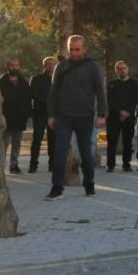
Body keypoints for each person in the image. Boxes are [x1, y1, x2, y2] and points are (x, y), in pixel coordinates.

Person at [44, 35, 107, 200]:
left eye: (77, 49)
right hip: (63, 117)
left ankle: (89, 186)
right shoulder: (61, 66)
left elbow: (100, 91)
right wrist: (51, 115)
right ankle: (57, 188)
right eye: (71, 49)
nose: (73, 52)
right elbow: (53, 93)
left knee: (86, 153)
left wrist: (102, 114)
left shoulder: (92, 67)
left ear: (84, 49)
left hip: (85, 117)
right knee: (60, 152)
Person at [0, 59, 31, 174]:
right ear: (8, 66)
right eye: (12, 65)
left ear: (19, 67)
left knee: (17, 143)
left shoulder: (24, 82)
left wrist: (27, 114)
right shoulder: (1, 81)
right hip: (5, 117)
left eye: (16, 65)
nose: (14, 67)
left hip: (20, 118)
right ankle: (0, 166)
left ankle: (14, 165)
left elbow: (28, 99)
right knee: (4, 143)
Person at [106, 61, 138, 173]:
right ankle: (110, 165)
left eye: (124, 68)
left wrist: (127, 112)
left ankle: (126, 164)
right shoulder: (112, 84)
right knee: (112, 141)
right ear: (116, 71)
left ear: (127, 69)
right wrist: (120, 112)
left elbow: (135, 99)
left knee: (127, 142)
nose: (122, 70)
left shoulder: (134, 83)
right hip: (114, 117)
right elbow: (110, 101)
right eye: (119, 69)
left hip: (129, 117)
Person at [28, 56, 56, 172]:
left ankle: (52, 165)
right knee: (37, 140)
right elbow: (32, 94)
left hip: (53, 114)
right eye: (48, 64)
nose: (50, 66)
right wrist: (47, 102)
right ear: (43, 65)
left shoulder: (58, 79)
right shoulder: (36, 78)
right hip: (39, 113)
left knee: (53, 141)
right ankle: (33, 165)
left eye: (52, 64)